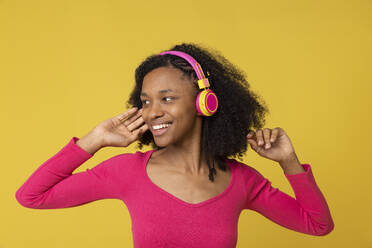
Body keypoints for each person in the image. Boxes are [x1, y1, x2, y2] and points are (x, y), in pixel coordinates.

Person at [15, 43, 334, 247]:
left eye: (167, 98)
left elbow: (318, 225)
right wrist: (92, 141)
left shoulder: (242, 180)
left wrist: (289, 161)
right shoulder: (127, 171)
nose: (153, 111)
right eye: (146, 101)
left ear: (204, 103)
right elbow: (31, 196)